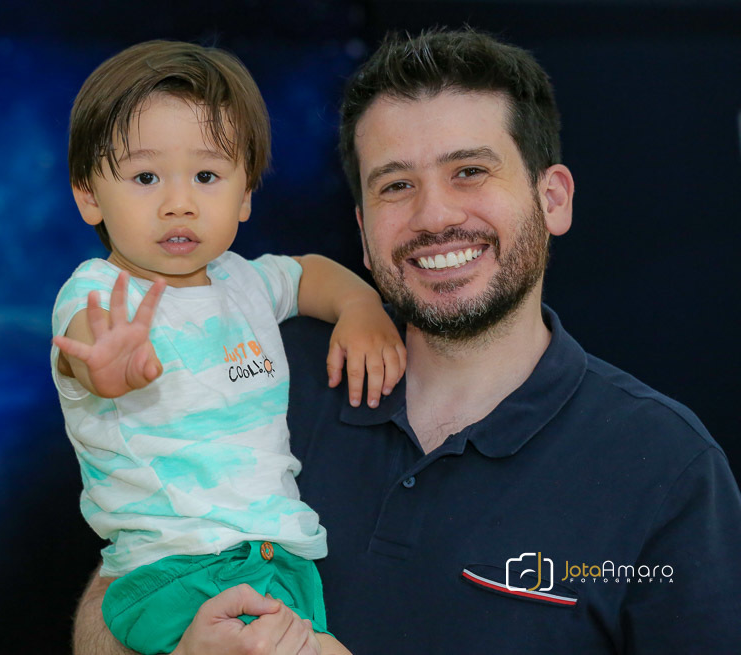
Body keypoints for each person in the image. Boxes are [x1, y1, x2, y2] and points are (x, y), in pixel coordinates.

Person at [73, 29, 741, 654]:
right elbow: (116, 595)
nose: (434, 215)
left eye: (469, 171)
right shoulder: (263, 366)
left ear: (553, 199)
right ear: (363, 230)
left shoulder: (668, 469)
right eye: (396, 185)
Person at [52, 40, 405, 655]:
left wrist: (360, 306)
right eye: (145, 177)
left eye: (207, 176)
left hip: (278, 561)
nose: (179, 203)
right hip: (174, 570)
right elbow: (81, 341)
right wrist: (103, 366)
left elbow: (311, 273)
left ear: (245, 195)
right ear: (88, 195)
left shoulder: (245, 282)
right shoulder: (100, 291)